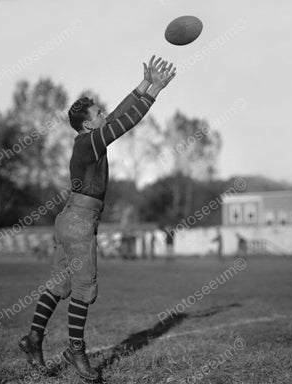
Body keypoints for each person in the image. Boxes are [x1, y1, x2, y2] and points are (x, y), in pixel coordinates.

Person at [18, 55, 176, 381]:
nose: (104, 114)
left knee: (58, 286)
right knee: (83, 290)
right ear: (89, 124)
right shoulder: (90, 141)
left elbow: (117, 115)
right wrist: (154, 92)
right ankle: (76, 350)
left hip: (69, 218)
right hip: (79, 223)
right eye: (98, 113)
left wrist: (144, 84)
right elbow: (125, 122)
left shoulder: (89, 139)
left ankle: (32, 340)